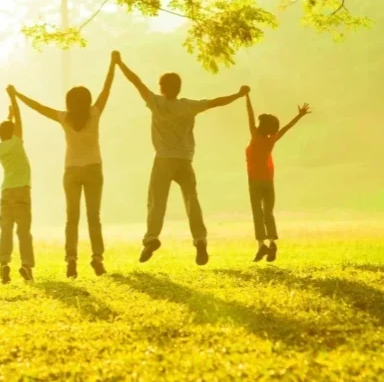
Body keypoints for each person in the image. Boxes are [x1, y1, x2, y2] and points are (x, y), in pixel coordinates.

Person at [115, 52, 248, 266]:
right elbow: (216, 102)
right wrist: (239, 94)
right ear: (179, 88)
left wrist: (120, 63)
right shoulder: (188, 105)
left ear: (161, 87)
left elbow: (136, 82)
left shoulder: (155, 102)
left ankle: (151, 239)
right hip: (185, 160)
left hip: (163, 160)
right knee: (191, 201)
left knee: (156, 202)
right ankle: (200, 239)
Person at [10, 52, 117, 279]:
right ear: (87, 100)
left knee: (72, 217)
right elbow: (107, 89)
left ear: (69, 102)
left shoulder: (63, 117)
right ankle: (97, 258)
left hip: (71, 171)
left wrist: (17, 95)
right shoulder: (94, 113)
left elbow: (38, 107)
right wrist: (113, 63)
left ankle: (71, 260)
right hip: (93, 168)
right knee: (93, 216)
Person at [245, 93, 310, 262]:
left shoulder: (255, 137)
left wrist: (246, 96)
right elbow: (286, 128)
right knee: (268, 213)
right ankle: (272, 242)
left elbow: (250, 114)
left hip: (254, 182)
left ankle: (261, 245)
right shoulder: (272, 140)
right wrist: (300, 115)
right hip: (268, 181)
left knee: (257, 213)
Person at [0, 87, 34, 284]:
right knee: (24, 231)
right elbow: (19, 119)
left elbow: (7, 130)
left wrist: (7, 117)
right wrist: (13, 97)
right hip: (22, 190)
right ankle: (26, 265)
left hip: (6, 191)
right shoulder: (18, 143)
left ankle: (4, 263)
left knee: (6, 230)